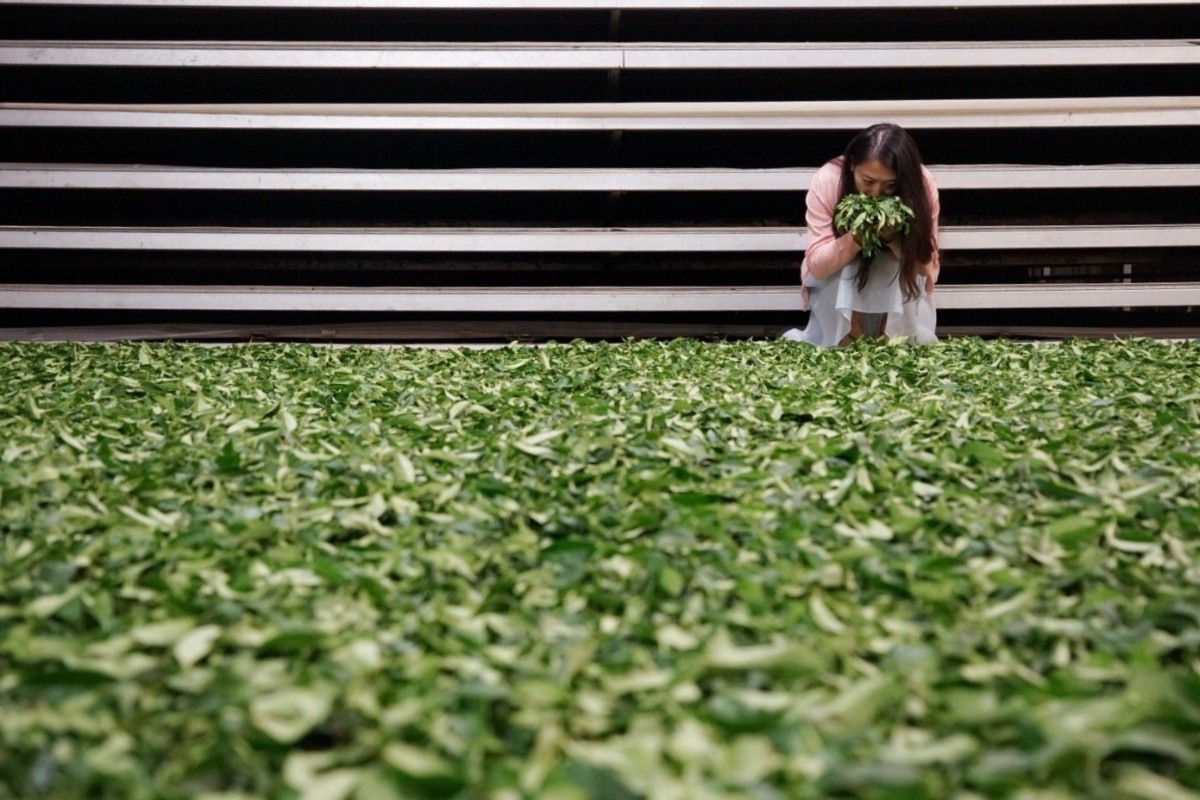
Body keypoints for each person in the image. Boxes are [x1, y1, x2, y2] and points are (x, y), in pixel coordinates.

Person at [783, 123, 940, 346]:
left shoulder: (921, 182)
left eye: (890, 185)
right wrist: (855, 239)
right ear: (852, 165)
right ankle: (849, 338)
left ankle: (891, 341)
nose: (876, 194)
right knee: (852, 260)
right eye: (868, 182)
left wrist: (894, 240)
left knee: (889, 259)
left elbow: (929, 267)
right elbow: (817, 265)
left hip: (900, 295)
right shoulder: (829, 179)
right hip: (836, 287)